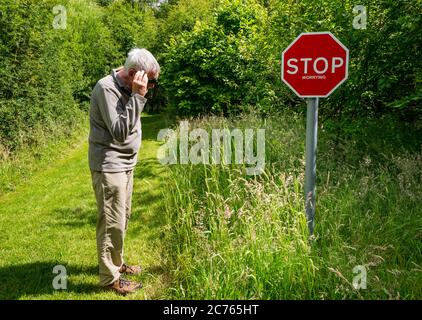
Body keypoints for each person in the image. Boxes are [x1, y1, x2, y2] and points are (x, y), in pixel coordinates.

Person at [88, 48, 160, 295]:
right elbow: (119, 132)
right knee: (111, 223)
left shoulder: (128, 88)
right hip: (110, 165)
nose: (150, 87)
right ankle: (110, 278)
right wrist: (138, 97)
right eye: (149, 82)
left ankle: (116, 263)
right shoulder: (106, 88)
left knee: (122, 218)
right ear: (132, 74)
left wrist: (135, 95)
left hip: (126, 164)